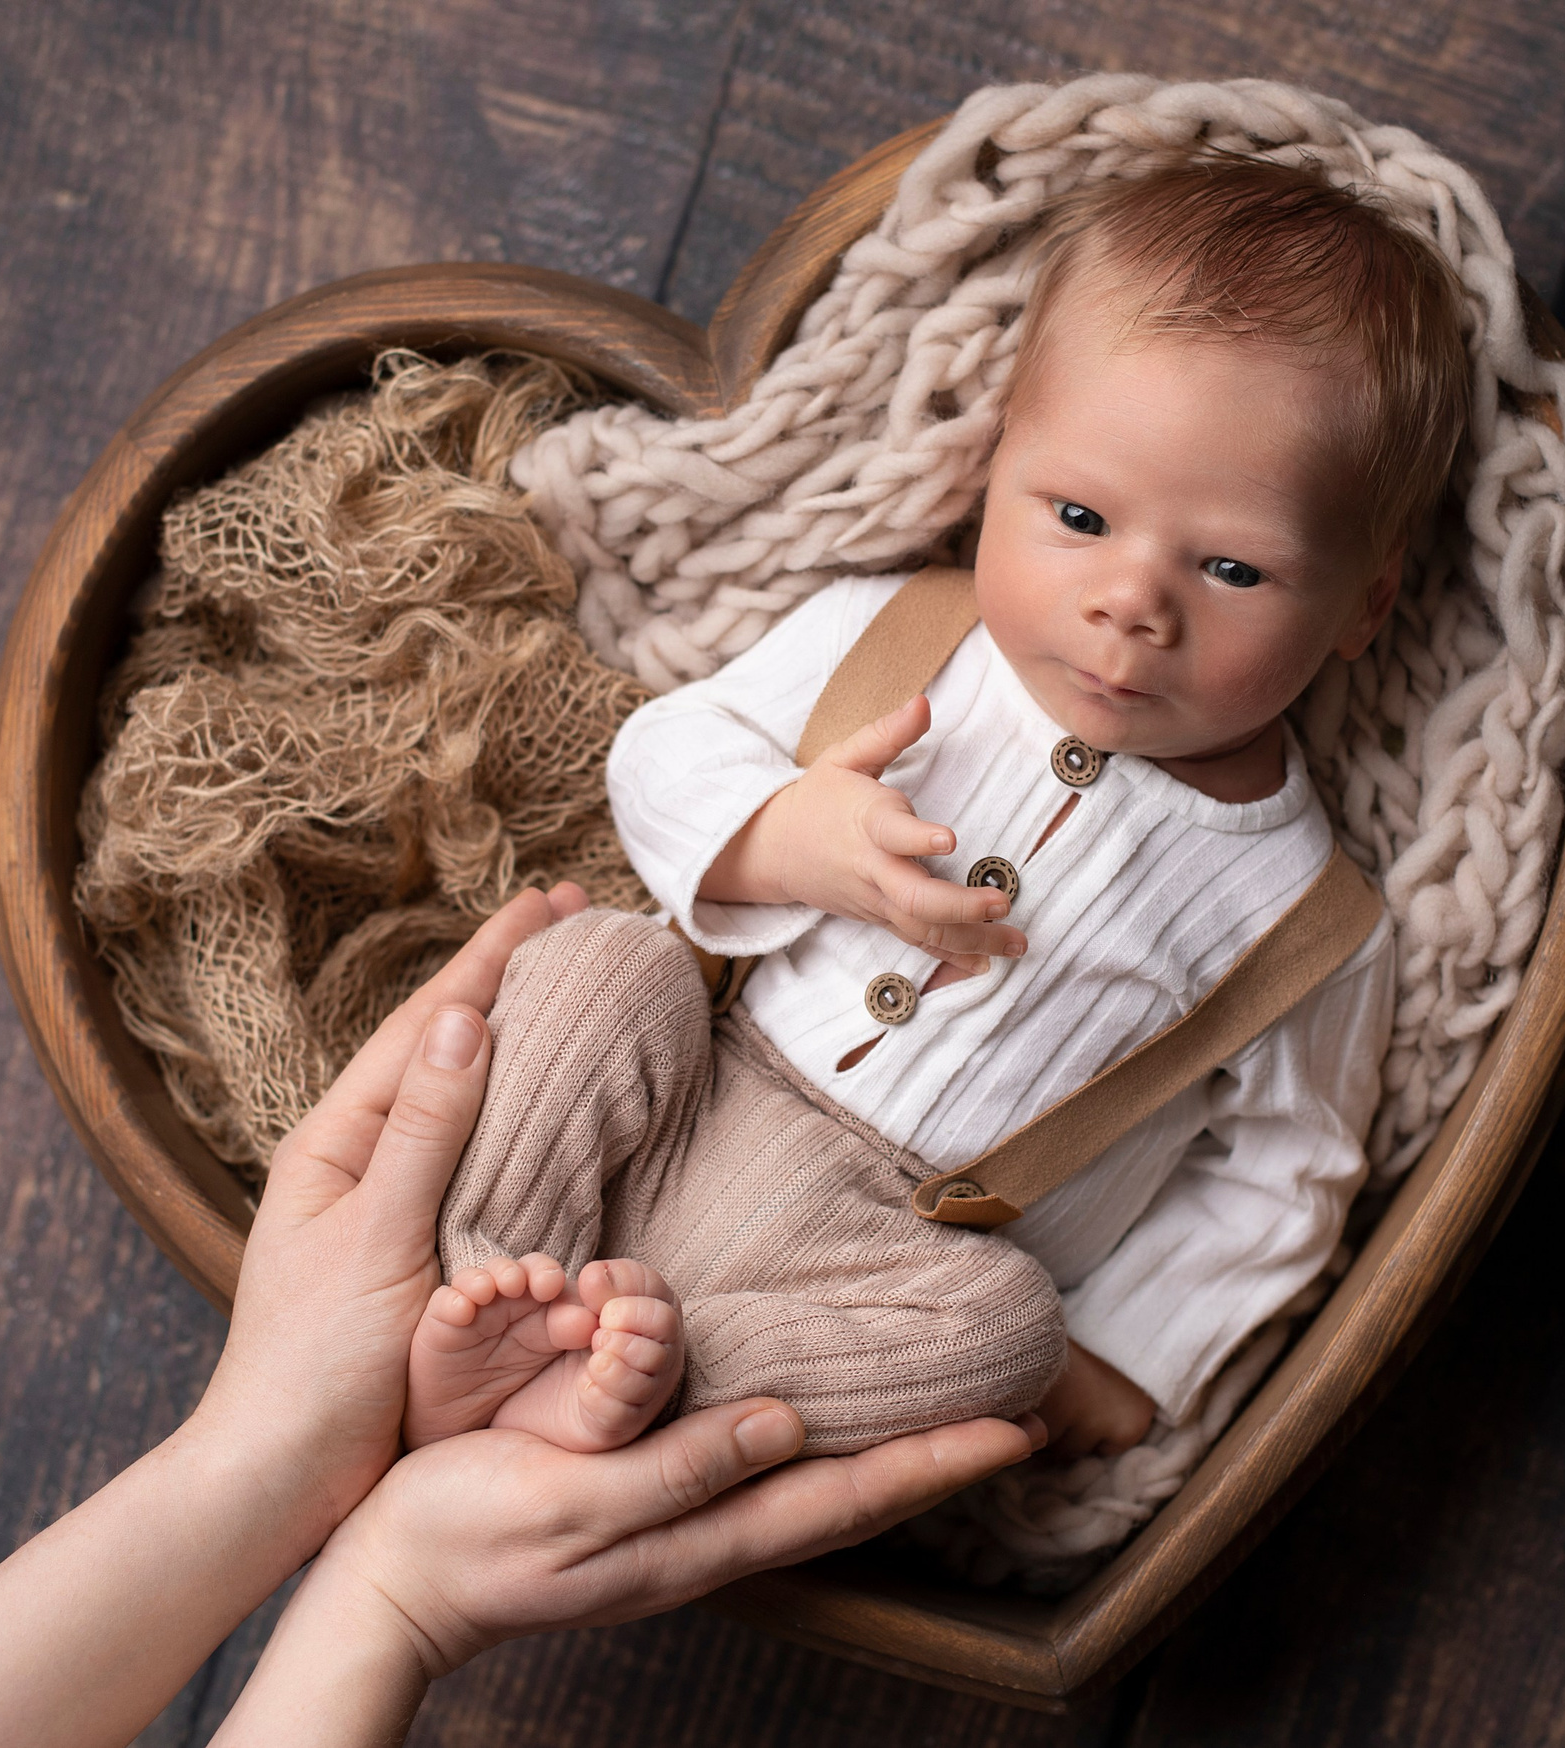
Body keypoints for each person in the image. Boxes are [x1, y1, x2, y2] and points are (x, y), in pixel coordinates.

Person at [413, 156, 1468, 1464]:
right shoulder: (900, 635)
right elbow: (667, 748)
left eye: (1234, 566)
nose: (1133, 601)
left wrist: (1137, 1347)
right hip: (692, 1082)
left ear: (1364, 604)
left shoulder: (1308, 925)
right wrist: (782, 835)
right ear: (994, 472)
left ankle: (651, 1384)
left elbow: (1284, 1172)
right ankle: (492, 1285)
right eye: (1079, 515)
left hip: (891, 1257)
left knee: (1009, 1334)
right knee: (596, 963)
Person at [0, 886, 1042, 1748]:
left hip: (644, 1168)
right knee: (1011, 1333)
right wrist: (387, 1596)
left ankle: (491, 1304)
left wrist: (279, 1445)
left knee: (601, 957)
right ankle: (605, 1376)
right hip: (840, 1257)